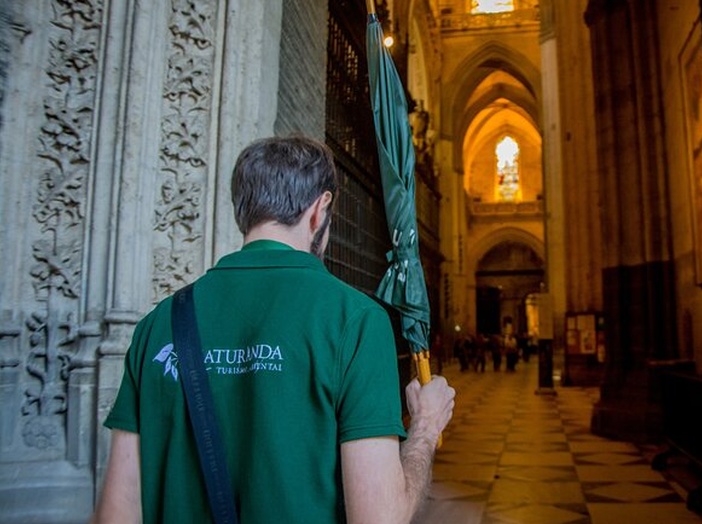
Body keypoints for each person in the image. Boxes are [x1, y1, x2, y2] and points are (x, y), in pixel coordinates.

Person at [92, 135, 455, 523]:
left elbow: (116, 514)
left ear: (242, 211)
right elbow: (379, 518)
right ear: (320, 209)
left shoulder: (157, 324)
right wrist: (426, 428)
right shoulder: (356, 320)